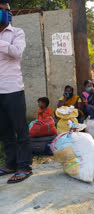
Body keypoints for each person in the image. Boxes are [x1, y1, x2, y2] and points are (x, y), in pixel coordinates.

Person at [0, 1, 33, 184]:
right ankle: (10, 163)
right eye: (1, 10)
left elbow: (17, 52)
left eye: (7, 10)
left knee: (20, 130)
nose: (5, 13)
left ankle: (24, 166)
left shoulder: (17, 32)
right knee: (4, 131)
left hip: (13, 88)